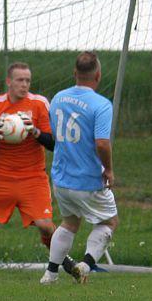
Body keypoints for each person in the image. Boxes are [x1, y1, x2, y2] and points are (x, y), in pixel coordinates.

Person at [41, 51, 119, 285]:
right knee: (109, 222)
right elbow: (102, 143)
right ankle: (85, 265)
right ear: (98, 75)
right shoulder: (101, 105)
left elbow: (55, 135)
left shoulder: (58, 98)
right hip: (87, 180)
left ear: (75, 73)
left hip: (61, 179)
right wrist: (109, 169)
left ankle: (50, 274)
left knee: (70, 223)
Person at [0, 62, 56, 278]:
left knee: (46, 226)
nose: (25, 84)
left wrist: (35, 132)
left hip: (33, 176)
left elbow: (53, 143)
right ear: (8, 81)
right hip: (0, 175)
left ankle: (59, 264)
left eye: (28, 80)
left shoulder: (39, 104)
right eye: (20, 80)